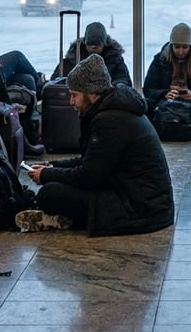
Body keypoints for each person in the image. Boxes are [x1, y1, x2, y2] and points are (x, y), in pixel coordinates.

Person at [15, 54, 174, 236]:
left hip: (140, 209)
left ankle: (68, 217)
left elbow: (90, 176)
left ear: (91, 94)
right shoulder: (113, 109)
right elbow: (93, 159)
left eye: (74, 95)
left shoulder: (110, 120)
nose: (71, 102)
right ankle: (67, 217)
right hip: (146, 202)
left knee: (50, 194)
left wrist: (47, 175)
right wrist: (53, 166)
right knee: (56, 186)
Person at [53, 21, 133, 87]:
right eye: (90, 44)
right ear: (84, 43)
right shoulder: (73, 59)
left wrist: (118, 86)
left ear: (105, 44)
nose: (93, 47)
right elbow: (56, 80)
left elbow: (123, 79)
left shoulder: (114, 59)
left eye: (97, 45)